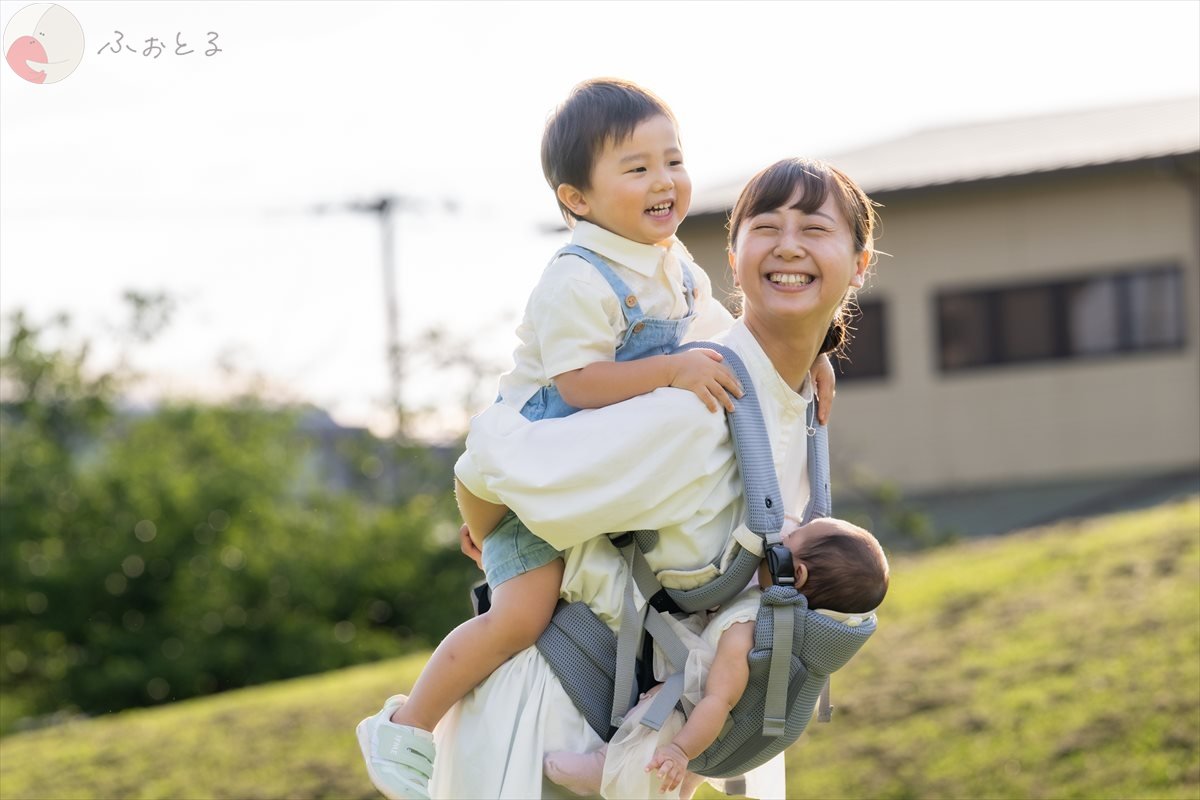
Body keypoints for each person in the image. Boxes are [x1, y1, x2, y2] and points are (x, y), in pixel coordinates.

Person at [356, 81, 836, 800]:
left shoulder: (676, 271)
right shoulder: (579, 278)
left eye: (672, 160)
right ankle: (406, 723)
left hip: (559, 504)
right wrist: (670, 371)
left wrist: (812, 356)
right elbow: (577, 386)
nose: (664, 180)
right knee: (518, 613)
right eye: (636, 168)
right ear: (577, 198)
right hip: (536, 472)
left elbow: (718, 344)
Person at [541, 517, 889, 799]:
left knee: (656, 711)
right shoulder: (784, 617)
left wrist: (681, 750)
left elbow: (719, 701)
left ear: (795, 574)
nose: (781, 535)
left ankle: (604, 769)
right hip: (723, 720)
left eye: (792, 537)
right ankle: (686, 784)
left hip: (700, 713)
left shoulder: (747, 631)